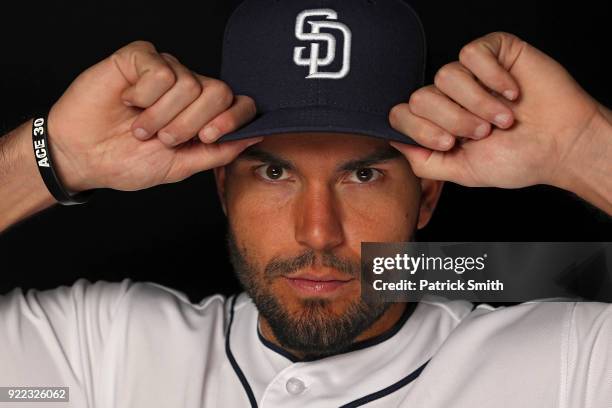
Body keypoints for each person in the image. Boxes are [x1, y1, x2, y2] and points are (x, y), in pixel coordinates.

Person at [0, 0, 611, 407]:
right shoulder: (98, 354)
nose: (317, 232)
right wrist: (49, 157)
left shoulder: (570, 366)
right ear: (222, 188)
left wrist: (587, 150)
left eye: (364, 174)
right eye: (273, 171)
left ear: (426, 194)